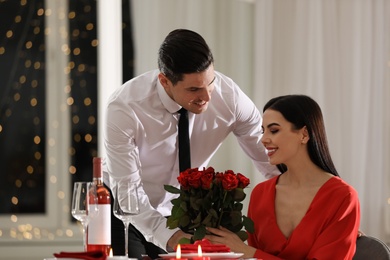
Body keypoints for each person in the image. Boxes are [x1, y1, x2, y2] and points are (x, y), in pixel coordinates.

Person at [103, 29, 280, 259]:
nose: (207, 96)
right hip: (120, 210)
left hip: (178, 212)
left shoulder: (230, 97)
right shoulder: (125, 108)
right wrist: (169, 236)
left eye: (211, 82)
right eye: (194, 89)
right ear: (165, 81)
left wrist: (302, 194)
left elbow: (267, 156)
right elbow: (128, 191)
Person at [206, 95, 361, 259]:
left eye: (273, 130)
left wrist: (248, 252)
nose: (264, 139)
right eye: (262, 131)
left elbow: (252, 255)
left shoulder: (342, 197)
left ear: (304, 134)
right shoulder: (260, 194)